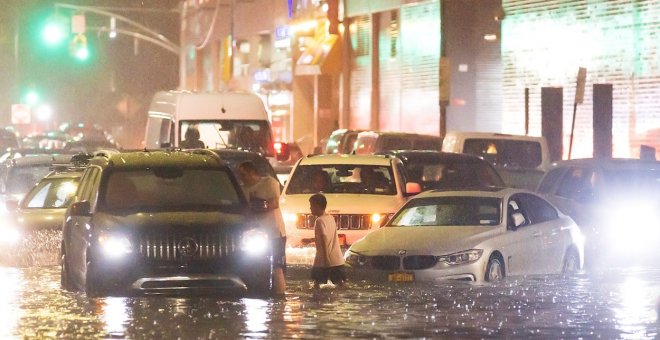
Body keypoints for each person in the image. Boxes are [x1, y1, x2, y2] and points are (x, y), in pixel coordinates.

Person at [237, 161, 287, 296]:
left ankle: (279, 295)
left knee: (277, 266)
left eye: (243, 174)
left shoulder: (269, 183)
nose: (241, 177)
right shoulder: (241, 189)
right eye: (240, 175)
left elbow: (274, 203)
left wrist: (257, 206)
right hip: (253, 234)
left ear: (252, 172)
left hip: (274, 232)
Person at [309, 193, 346, 289]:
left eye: (311, 205)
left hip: (323, 260)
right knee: (340, 285)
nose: (310, 208)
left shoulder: (319, 221)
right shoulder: (330, 218)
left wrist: (326, 259)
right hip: (337, 259)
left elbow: (325, 239)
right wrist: (311, 240)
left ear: (317, 206)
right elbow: (329, 236)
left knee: (315, 286)